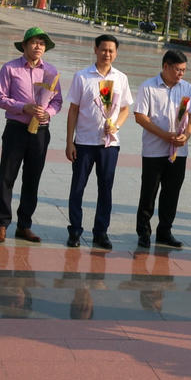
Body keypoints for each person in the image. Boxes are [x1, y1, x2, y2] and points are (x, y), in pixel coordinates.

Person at [0, 27, 62, 243]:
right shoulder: (10, 68)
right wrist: (24, 107)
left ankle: (24, 225)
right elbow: (0, 98)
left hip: (40, 132)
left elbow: (57, 101)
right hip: (16, 129)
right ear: (24, 45)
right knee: (7, 177)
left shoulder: (50, 72)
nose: (38, 46)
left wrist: (46, 113)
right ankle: (2, 224)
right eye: (34, 42)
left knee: (32, 179)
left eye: (42, 43)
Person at [63, 34, 132, 251]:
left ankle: (100, 232)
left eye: (111, 50)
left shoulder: (121, 78)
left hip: (109, 144)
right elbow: (73, 110)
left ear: (116, 53)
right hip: (83, 142)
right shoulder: (82, 77)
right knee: (78, 188)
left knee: (106, 188)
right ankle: (75, 230)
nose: (107, 54)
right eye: (103, 49)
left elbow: (125, 109)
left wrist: (116, 126)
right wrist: (69, 142)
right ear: (95, 50)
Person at [134, 49, 191, 250]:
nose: (181, 74)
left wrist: (186, 136)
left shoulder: (186, 88)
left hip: (179, 151)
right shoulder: (148, 87)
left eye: (184, 70)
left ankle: (165, 231)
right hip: (154, 150)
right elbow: (140, 117)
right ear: (165, 67)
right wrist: (164, 135)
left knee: (172, 193)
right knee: (149, 192)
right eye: (178, 70)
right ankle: (144, 232)